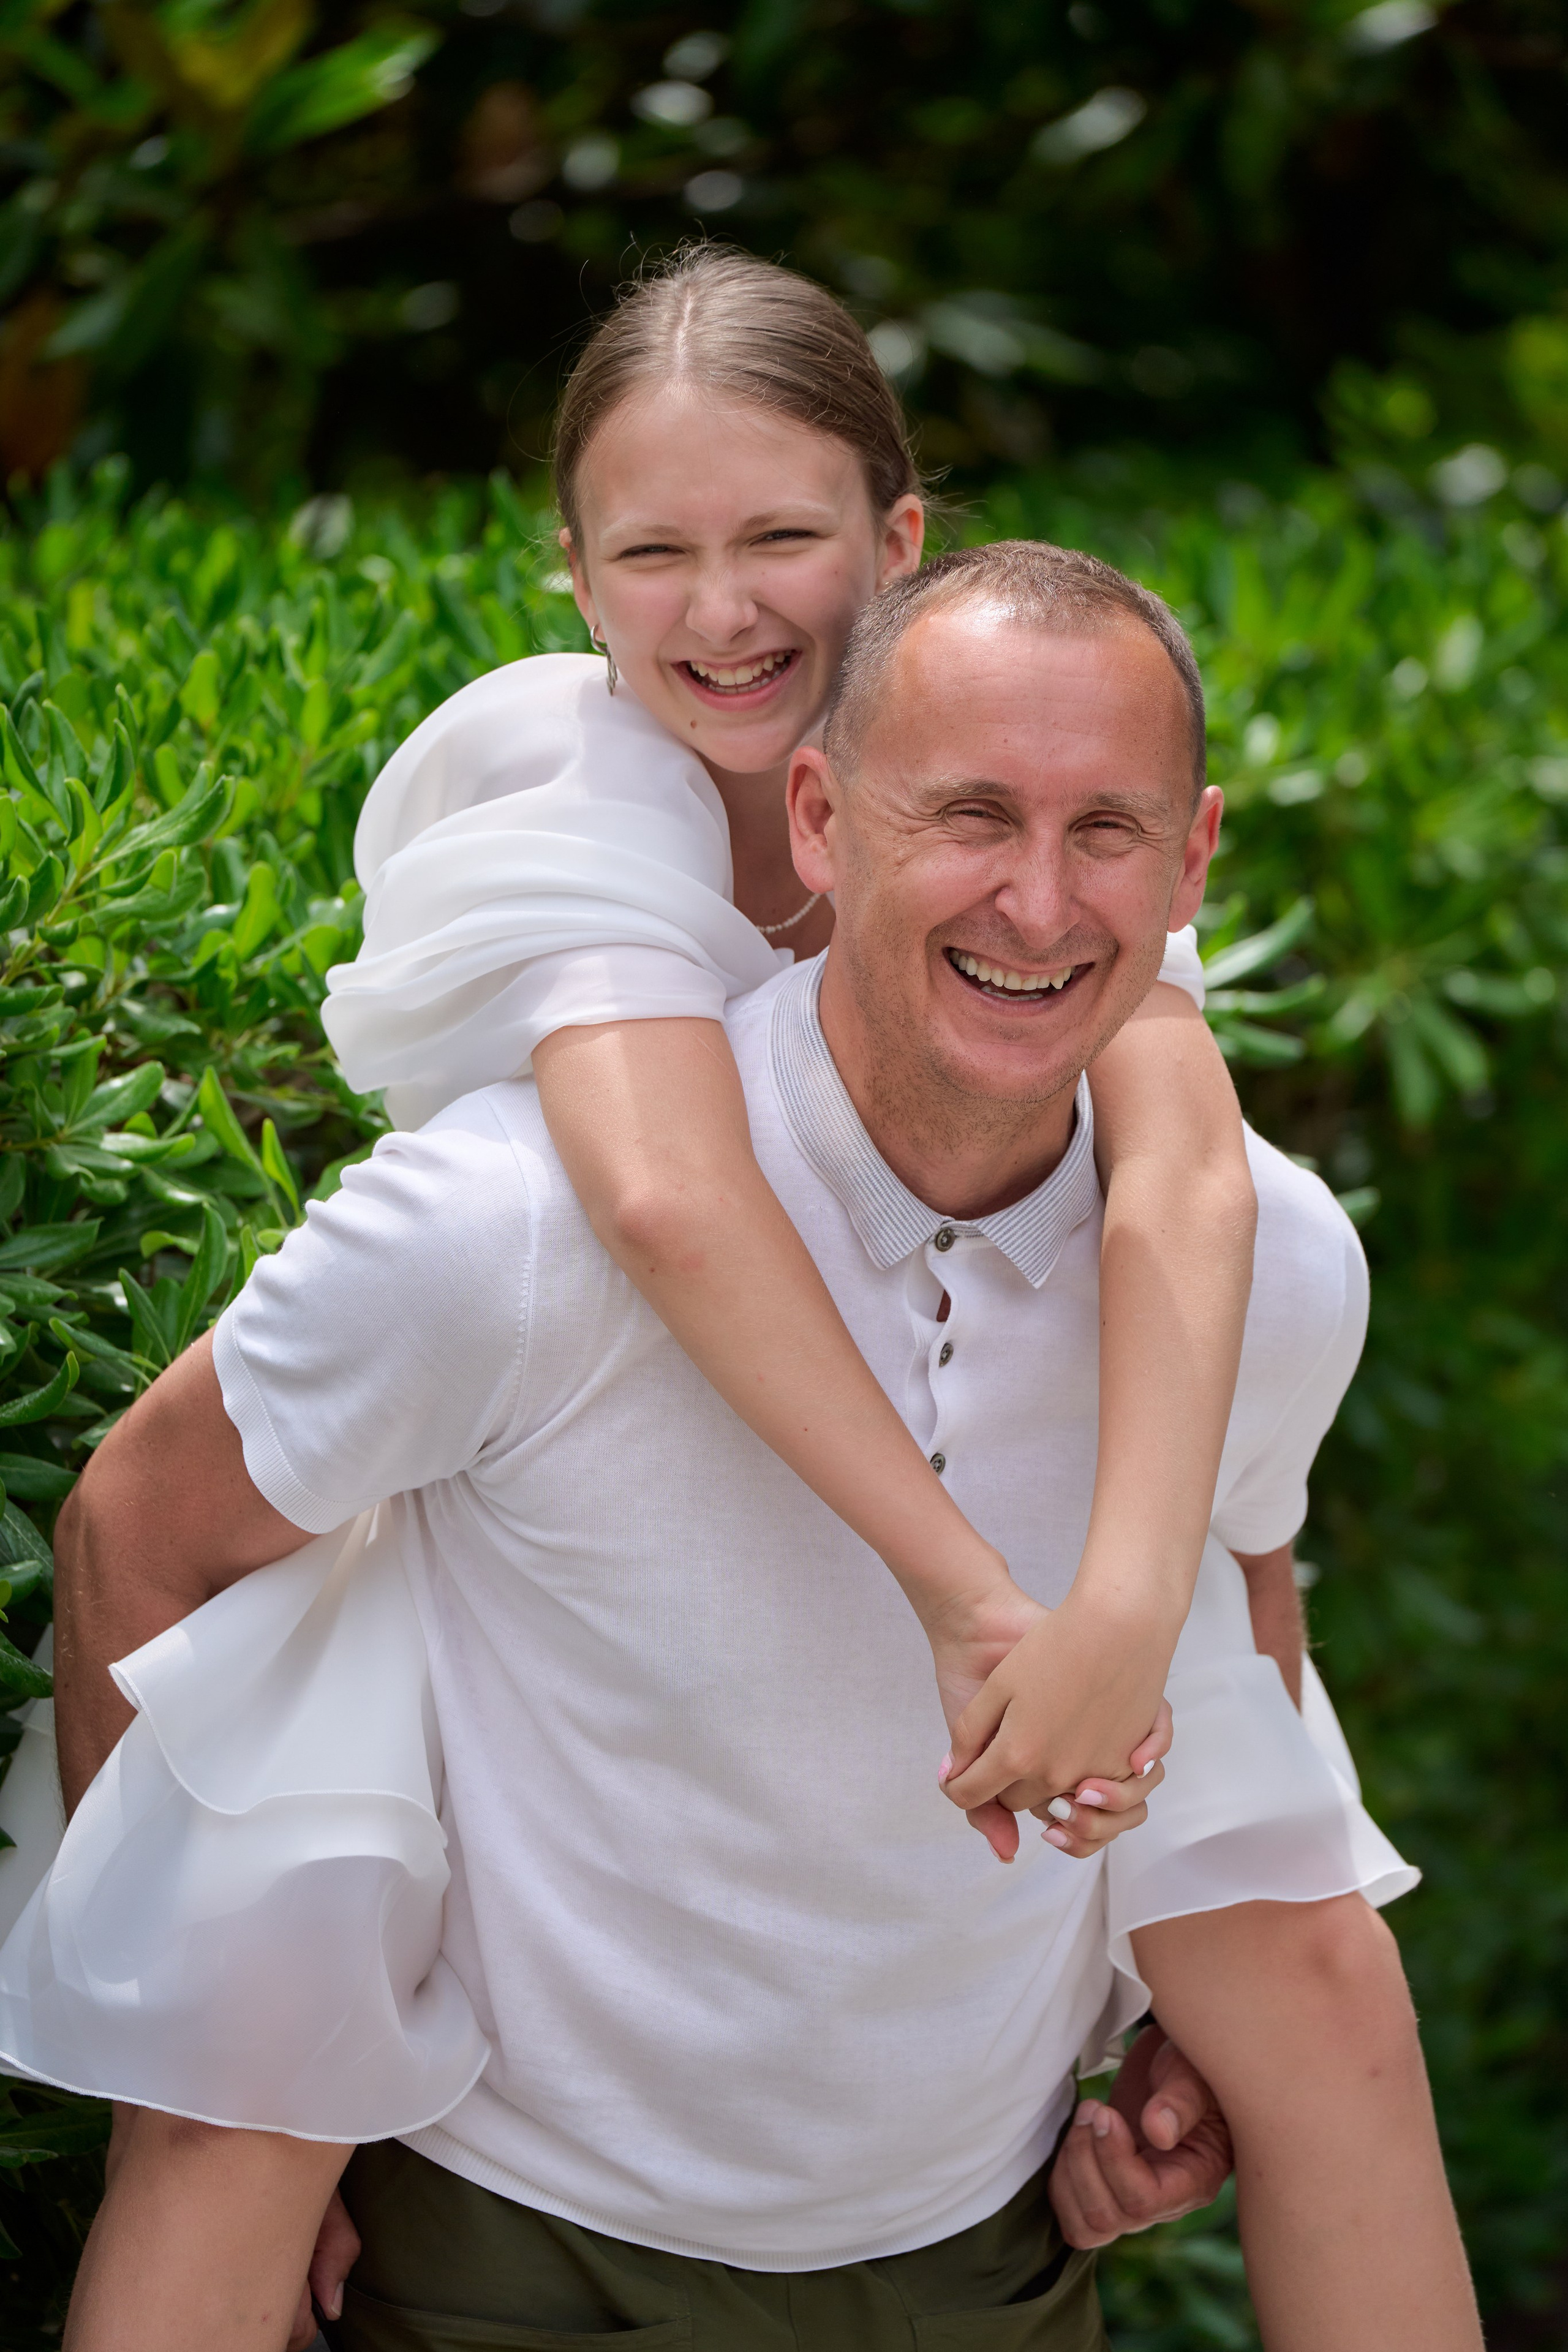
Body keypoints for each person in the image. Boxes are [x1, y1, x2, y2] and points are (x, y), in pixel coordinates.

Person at [11, 540, 1476, 2350]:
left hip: (993, 2271)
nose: (1036, 902)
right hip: (515, 2264)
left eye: (1107, 831)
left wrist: (1169, 2000)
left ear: (1194, 862)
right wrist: (202, 2083)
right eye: (969, 817)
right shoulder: (515, 1225)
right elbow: (133, 1535)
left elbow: (1247, 1575)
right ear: (816, 817)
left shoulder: (1272, 1259)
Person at [320, 246, 1258, 1847]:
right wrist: (973, 1597)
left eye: (782, 539)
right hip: (559, 1502)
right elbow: (671, 1199)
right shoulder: (570, 770)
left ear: (897, 541)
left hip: (861, 1510)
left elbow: (1188, 1165)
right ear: (577, 571)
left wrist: (1128, 1602)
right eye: (655, 551)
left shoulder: (997, 769)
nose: (724, 608)